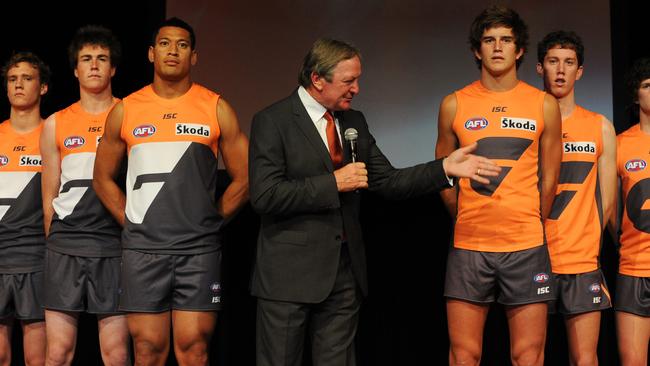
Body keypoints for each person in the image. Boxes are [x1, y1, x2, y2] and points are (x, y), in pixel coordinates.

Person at [249, 38, 501, 366]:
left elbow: (388, 181)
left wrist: (444, 168)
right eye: (348, 81)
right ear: (317, 79)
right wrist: (333, 184)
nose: (356, 88)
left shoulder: (354, 122)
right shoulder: (273, 121)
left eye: (358, 79)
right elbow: (265, 195)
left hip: (344, 276)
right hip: (287, 277)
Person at [93, 17, 249, 366]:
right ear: (151, 53)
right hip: (143, 250)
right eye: (165, 43)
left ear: (194, 56)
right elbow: (102, 178)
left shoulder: (216, 107)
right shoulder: (125, 109)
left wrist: (212, 220)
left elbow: (246, 179)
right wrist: (131, 221)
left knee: (193, 348)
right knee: (148, 349)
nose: (173, 51)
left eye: (182, 45)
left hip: (198, 250)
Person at [435, 6, 562, 366]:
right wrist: (461, 213)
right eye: (488, 40)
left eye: (506, 40)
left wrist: (532, 218)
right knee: (464, 355)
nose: (497, 47)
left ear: (519, 49)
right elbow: (441, 172)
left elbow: (550, 176)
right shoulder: (453, 104)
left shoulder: (543, 105)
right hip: (469, 245)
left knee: (528, 355)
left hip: (526, 245)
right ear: (477, 50)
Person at [39, 25, 128, 366]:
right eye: (86, 59)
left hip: (113, 245)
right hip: (65, 246)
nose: (94, 65)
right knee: (58, 353)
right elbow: (49, 193)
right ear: (75, 69)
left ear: (113, 68)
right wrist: (57, 240)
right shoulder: (56, 123)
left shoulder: (129, 114)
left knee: (116, 354)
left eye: (102, 59)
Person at [536, 30, 616, 366]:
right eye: (553, 61)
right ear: (540, 67)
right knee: (527, 356)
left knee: (585, 358)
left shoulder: (599, 126)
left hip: (581, 260)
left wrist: (587, 241)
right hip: (531, 256)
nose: (561, 70)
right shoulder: (529, 123)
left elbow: (608, 200)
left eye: (569, 63)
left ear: (579, 71)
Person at [0, 51, 49, 366]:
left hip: (37, 258)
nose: (18, 85)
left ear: (42, 87)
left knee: (37, 359)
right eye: (12, 79)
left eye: (27, 78)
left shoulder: (54, 134)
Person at [611, 57, 650, 366]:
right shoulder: (620, 144)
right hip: (634, 269)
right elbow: (611, 210)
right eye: (648, 85)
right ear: (636, 95)